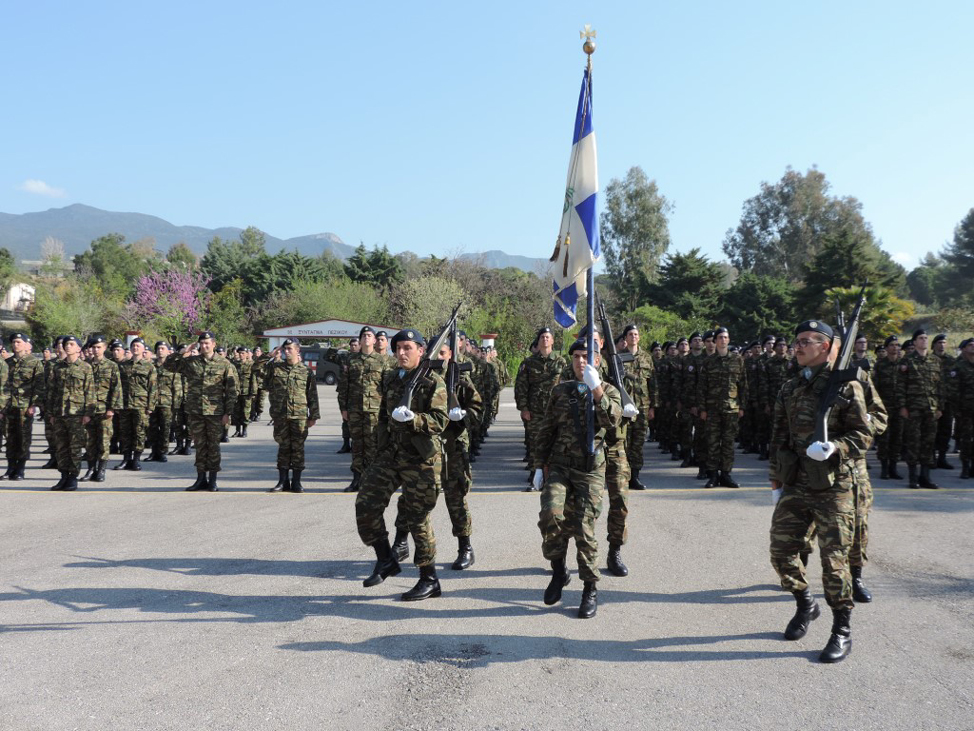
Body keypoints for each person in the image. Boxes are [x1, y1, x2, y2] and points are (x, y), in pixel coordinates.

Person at [768, 320, 871, 664]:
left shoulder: (846, 385)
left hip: (835, 485)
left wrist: (835, 447)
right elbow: (779, 435)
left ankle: (841, 629)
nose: (798, 347)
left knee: (834, 562)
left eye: (806, 342)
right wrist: (776, 478)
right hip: (797, 480)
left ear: (826, 347)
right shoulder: (790, 386)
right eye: (796, 341)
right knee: (782, 552)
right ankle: (805, 604)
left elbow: (864, 434)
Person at [355, 328, 448, 601]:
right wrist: (379, 446)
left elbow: (440, 421)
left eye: (408, 347)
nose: (402, 352)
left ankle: (429, 579)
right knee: (366, 504)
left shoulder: (433, 383)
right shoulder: (393, 381)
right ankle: (386, 559)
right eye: (398, 348)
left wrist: (414, 419)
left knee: (417, 518)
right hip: (391, 454)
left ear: (421, 350)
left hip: (421, 457)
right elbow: (384, 417)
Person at [534, 339, 623, 618]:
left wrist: (597, 390)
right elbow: (546, 429)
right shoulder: (560, 391)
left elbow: (614, 422)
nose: (580, 361)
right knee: (551, 515)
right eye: (576, 356)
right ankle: (559, 572)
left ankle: (590, 588)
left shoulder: (609, 390)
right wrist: (539, 466)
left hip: (589, 470)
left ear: (597, 359)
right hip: (560, 466)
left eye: (586, 356)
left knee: (584, 529)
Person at [394, 337, 482, 569]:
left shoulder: (461, 378)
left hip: (452, 445)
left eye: (443, 353)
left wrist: (463, 415)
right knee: (410, 496)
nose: (438, 358)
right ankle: (401, 542)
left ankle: (465, 547)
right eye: (435, 354)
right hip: (424, 446)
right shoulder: (420, 378)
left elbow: (477, 410)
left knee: (455, 497)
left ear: (451, 355)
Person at [163, 332, 239, 491]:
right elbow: (168, 365)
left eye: (207, 343)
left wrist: (228, 413)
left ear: (214, 344)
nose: (204, 346)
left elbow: (232, 390)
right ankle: (200, 478)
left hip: (215, 412)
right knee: (199, 445)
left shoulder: (225, 364)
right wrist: (182, 352)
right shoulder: (191, 362)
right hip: (195, 411)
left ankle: (212, 480)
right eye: (201, 343)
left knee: (213, 446)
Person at [259, 340, 319, 493]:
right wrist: (269, 356)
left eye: (289, 349)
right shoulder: (275, 368)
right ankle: (282, 481)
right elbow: (256, 369)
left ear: (297, 350)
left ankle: (297, 482)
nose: (286, 352)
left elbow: (312, 395)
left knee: (298, 449)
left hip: (299, 417)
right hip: (280, 415)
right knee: (283, 448)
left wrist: (313, 415)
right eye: (285, 349)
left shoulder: (306, 371)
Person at [514, 327, 565, 491]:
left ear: (552, 341)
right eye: (542, 337)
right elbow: (521, 387)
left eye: (547, 337)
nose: (545, 340)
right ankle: (534, 473)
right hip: (535, 410)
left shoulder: (561, 362)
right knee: (534, 442)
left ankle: (551, 473)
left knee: (555, 441)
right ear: (538, 341)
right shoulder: (528, 363)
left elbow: (567, 385)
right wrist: (523, 408)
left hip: (555, 410)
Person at [337, 326, 387, 492]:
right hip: (355, 409)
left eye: (369, 335)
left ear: (374, 340)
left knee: (373, 446)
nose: (366, 337)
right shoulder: (351, 360)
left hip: (375, 410)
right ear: (359, 340)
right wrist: (343, 408)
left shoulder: (382, 361)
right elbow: (344, 386)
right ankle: (356, 480)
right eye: (363, 335)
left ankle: (371, 481)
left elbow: (387, 388)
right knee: (357, 445)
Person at [697, 326, 747, 488]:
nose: (723, 340)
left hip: (731, 408)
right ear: (715, 340)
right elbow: (702, 387)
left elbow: (743, 385)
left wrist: (742, 406)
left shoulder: (737, 360)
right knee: (712, 442)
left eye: (725, 337)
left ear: (729, 340)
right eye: (720, 338)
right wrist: (702, 409)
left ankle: (726, 474)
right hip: (712, 409)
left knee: (728, 443)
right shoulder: (708, 361)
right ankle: (712, 475)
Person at [895, 329, 944, 488]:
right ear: (914, 342)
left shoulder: (935, 361)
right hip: (913, 409)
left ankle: (925, 476)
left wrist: (940, 407)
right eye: (920, 338)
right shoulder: (907, 361)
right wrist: (902, 406)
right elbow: (900, 386)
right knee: (913, 442)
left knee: (928, 443)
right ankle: (913, 477)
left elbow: (941, 386)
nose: (924, 340)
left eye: (925, 338)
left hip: (931, 409)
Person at [45, 336, 94, 491]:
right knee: (61, 447)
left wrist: (87, 413)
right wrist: (51, 413)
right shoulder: (57, 367)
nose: (68, 347)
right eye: (66, 344)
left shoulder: (86, 368)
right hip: (59, 413)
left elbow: (90, 392)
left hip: (76, 414)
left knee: (74, 447)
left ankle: (72, 477)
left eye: (72, 344)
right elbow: (51, 392)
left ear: (79, 349)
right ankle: (63, 476)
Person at [0, 333, 45, 481]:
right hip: (8, 406)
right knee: (10, 438)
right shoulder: (8, 362)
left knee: (23, 438)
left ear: (26, 344)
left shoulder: (34, 363)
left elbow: (39, 387)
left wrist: (34, 405)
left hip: (24, 407)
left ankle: (20, 469)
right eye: (13, 342)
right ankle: (10, 468)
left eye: (19, 342)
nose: (15, 344)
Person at [80, 335, 122, 483]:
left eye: (99, 347)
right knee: (89, 442)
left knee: (103, 442)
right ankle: (91, 469)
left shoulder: (111, 366)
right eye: (93, 347)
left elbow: (116, 388)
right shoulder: (84, 365)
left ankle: (101, 470)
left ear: (104, 348)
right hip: (87, 410)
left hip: (104, 410)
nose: (96, 350)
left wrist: (112, 408)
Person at [114, 337, 157, 471]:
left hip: (141, 405)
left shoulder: (149, 367)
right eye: (133, 346)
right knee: (125, 433)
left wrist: (150, 406)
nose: (135, 348)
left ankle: (136, 459)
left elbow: (153, 388)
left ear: (143, 349)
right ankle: (126, 459)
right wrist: (117, 404)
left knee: (140, 432)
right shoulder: (123, 366)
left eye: (138, 346)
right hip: (125, 405)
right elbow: (117, 386)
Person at [946, 339, 974, 478]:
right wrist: (957, 410)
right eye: (970, 345)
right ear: (963, 349)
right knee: (966, 439)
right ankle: (965, 466)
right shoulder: (958, 367)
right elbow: (953, 391)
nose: (973, 347)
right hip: (965, 410)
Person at [145, 341, 176, 462]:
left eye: (163, 348)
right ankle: (154, 451)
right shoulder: (150, 366)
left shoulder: (172, 367)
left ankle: (163, 451)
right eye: (158, 348)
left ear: (168, 351)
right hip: (152, 402)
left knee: (165, 428)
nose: (160, 351)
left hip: (166, 402)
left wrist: (176, 404)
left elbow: (176, 386)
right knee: (152, 428)